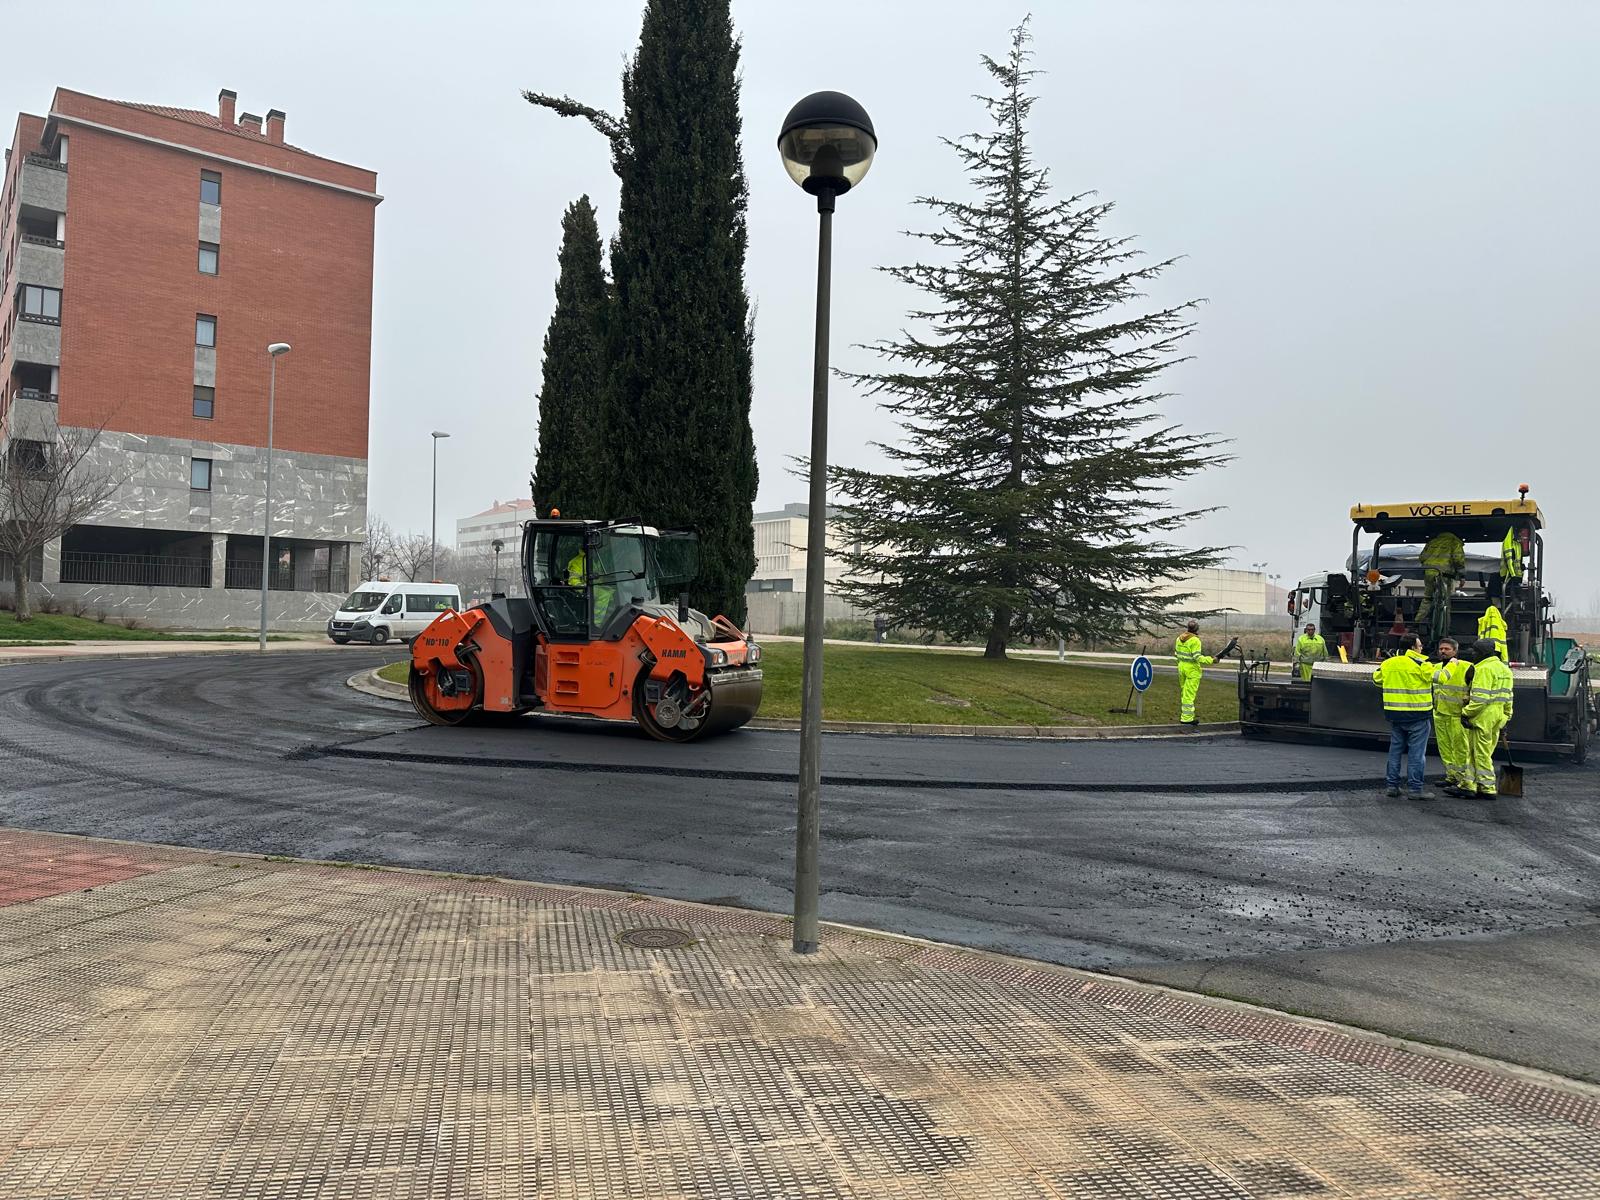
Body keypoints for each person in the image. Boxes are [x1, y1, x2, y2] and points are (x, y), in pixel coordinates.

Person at [1371, 632, 1437, 800]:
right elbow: (1438, 678)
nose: (1422, 648)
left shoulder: (1389, 663)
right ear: (1413, 647)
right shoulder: (1423, 664)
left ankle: (1392, 786)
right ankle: (1415, 790)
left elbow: (1376, 679)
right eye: (1420, 645)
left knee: (1395, 751)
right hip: (1418, 716)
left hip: (1395, 715)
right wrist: (1452, 665)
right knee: (1416, 754)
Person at [1460, 637, 1514, 798]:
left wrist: (1465, 713)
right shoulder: (1505, 669)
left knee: (1480, 753)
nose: (1473, 654)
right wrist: (1506, 716)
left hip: (1483, 716)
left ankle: (1487, 787)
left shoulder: (1483, 669)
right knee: (1484, 751)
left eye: (1476, 651)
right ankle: (1471, 785)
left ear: (1484, 653)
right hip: (1498, 716)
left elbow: (1479, 700)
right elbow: (1509, 696)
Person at [1430, 637, 1472, 796]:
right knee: (1445, 748)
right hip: (1440, 713)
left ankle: (1464, 781)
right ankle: (1452, 776)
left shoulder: (1467, 667)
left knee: (1461, 750)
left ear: (1455, 651)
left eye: (1447, 649)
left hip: (1457, 715)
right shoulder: (1436, 668)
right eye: (1441, 649)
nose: (1443, 651)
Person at [1416, 529, 1466, 636]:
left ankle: (1418, 622)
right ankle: (1444, 629)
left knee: (1427, 598)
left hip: (1429, 573)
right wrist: (1462, 576)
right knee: (1444, 603)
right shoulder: (1454, 542)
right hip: (1444, 576)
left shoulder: (1432, 541)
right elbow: (1458, 560)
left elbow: (1422, 557)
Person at [1173, 620, 1213, 726]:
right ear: (1196, 629)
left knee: (1184, 693)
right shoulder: (1195, 640)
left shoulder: (1179, 639)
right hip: (1192, 670)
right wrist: (1211, 660)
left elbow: (1176, 654)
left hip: (1181, 667)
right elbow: (1197, 657)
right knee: (1189, 694)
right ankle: (1187, 719)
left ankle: (1185, 716)